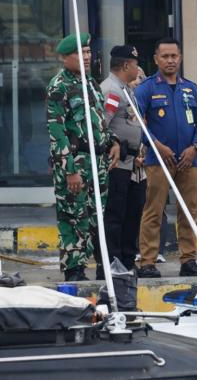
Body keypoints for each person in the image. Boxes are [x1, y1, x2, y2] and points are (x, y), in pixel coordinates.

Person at [46, 33, 120, 281]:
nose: (87, 57)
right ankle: (73, 270)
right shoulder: (59, 87)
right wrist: (70, 170)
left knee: (93, 217)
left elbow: (98, 122)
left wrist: (113, 142)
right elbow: (57, 133)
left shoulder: (89, 83)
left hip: (97, 163)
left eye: (88, 52)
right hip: (75, 162)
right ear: (65, 57)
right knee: (73, 217)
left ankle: (94, 264)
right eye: (81, 53)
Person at [135, 38, 197, 278]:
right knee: (153, 211)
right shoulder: (146, 88)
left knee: (189, 212)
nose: (170, 60)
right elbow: (138, 123)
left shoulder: (191, 88)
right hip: (159, 161)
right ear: (156, 59)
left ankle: (188, 260)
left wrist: (196, 147)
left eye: (174, 56)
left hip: (190, 160)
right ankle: (147, 262)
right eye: (164, 56)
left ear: (180, 58)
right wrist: (156, 146)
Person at [100, 44, 145, 271]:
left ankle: (127, 260)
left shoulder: (126, 88)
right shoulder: (112, 91)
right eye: (136, 64)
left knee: (132, 214)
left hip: (133, 164)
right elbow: (102, 125)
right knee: (115, 216)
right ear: (127, 64)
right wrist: (116, 143)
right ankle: (112, 264)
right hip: (118, 163)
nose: (138, 68)